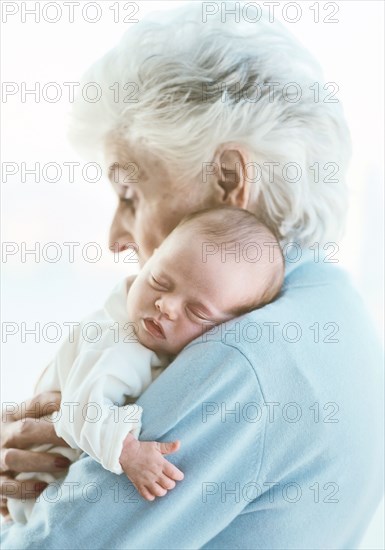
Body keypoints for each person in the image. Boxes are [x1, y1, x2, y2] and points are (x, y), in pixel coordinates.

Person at [1, 2, 383, 548]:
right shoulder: (332, 298)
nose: (116, 237)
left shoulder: (239, 360)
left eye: (130, 195)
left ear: (229, 178)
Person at [7, 206, 284, 523]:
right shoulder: (117, 343)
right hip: (36, 493)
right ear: (149, 260)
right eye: (159, 281)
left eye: (196, 312)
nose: (165, 306)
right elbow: (81, 410)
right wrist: (128, 451)